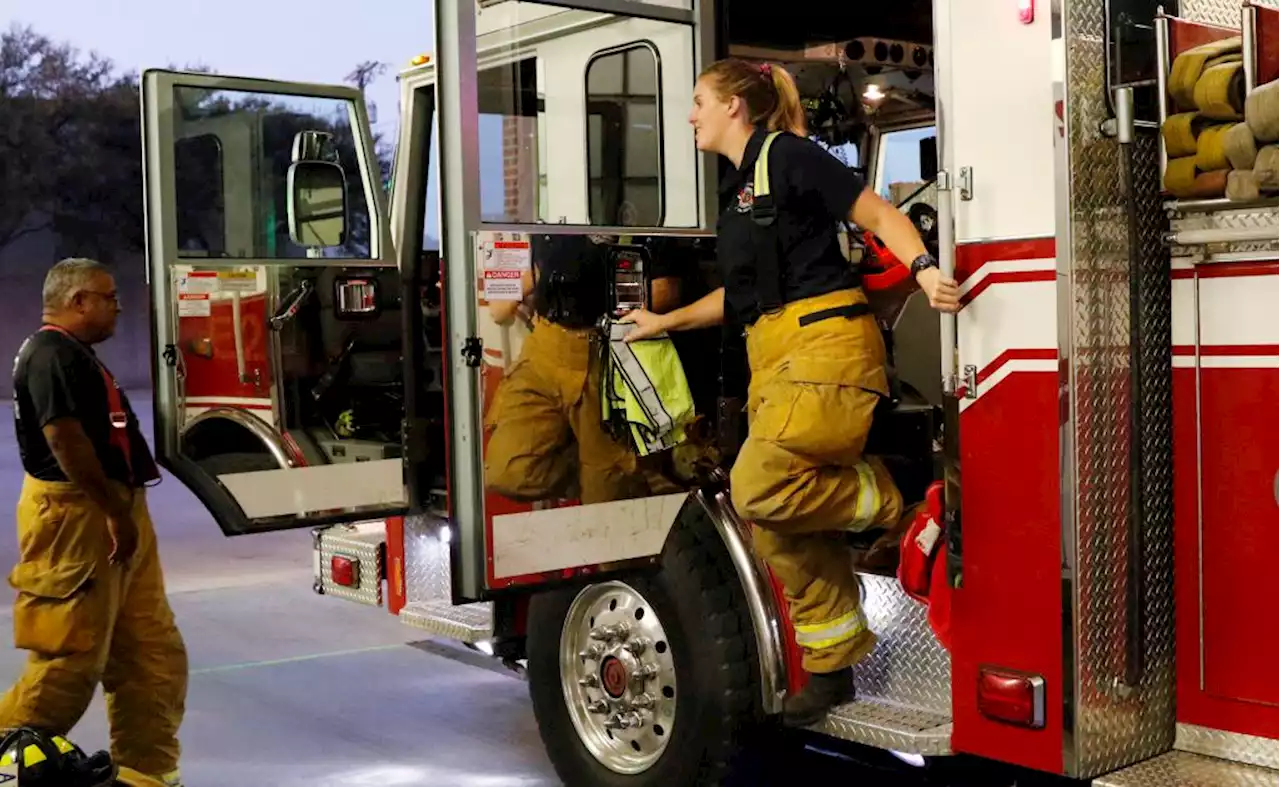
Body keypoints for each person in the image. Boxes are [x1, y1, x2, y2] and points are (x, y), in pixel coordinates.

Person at [620, 59, 961, 726]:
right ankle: (833, 664)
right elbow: (744, 296)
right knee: (773, 523)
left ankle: (885, 492)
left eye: (698, 101)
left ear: (734, 109)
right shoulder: (742, 186)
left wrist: (922, 268)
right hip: (776, 357)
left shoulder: (792, 156)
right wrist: (662, 321)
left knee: (757, 487)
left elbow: (878, 213)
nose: (690, 115)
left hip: (825, 351)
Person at [1, 258, 188, 786]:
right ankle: (8, 764)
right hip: (77, 515)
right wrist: (112, 512)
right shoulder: (51, 355)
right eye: (109, 297)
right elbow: (64, 440)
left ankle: (146, 774)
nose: (118, 307)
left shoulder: (75, 355)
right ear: (77, 300)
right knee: (67, 666)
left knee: (150, 655)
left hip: (114, 509)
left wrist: (124, 511)